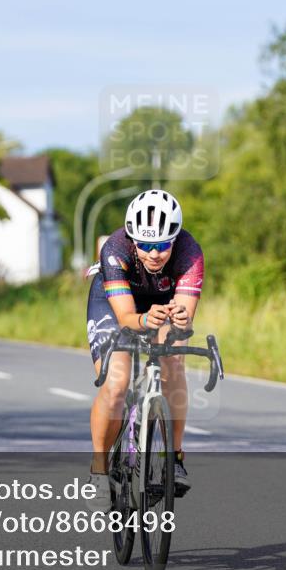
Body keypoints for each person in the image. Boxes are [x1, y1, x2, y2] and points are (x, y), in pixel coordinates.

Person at [85, 190, 204, 510]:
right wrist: (142, 318)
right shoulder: (115, 249)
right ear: (132, 239)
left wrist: (179, 318)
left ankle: (175, 456)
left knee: (173, 361)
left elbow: (185, 317)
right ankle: (99, 468)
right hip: (115, 305)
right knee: (117, 382)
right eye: (145, 244)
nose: (154, 253)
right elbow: (125, 318)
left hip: (160, 303)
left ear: (175, 240)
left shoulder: (190, 253)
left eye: (163, 245)